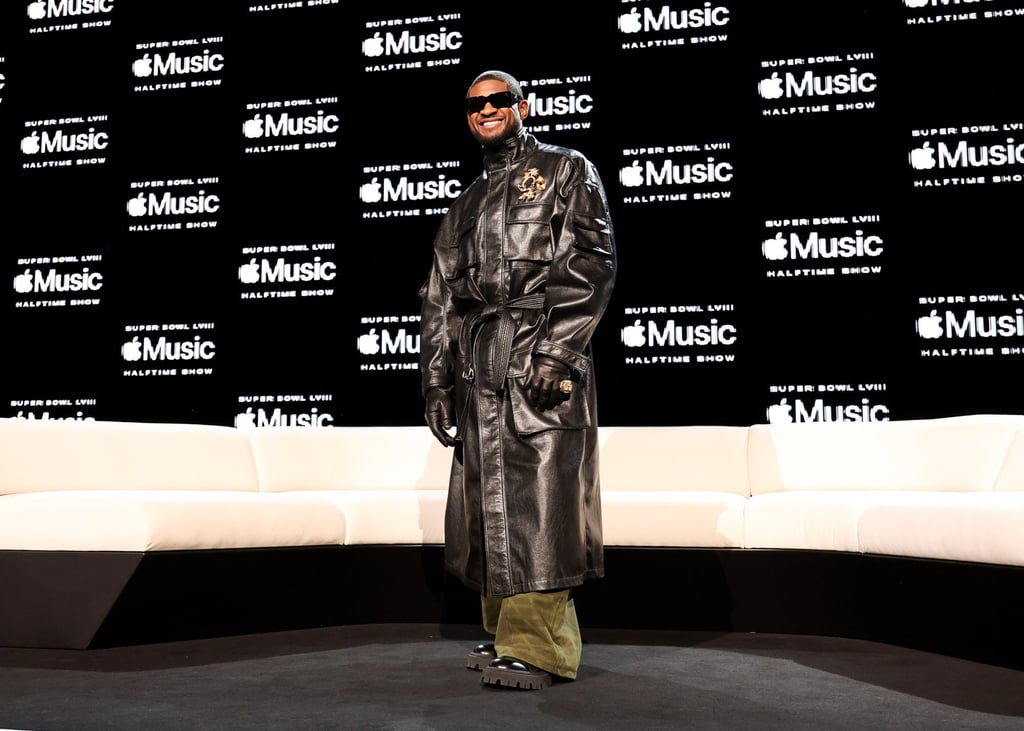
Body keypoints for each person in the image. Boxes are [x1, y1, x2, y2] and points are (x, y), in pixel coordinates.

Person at [418, 69, 617, 690]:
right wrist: (436, 382)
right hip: (479, 365)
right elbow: (441, 299)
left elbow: (591, 260)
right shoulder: (466, 202)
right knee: (489, 503)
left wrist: (557, 354)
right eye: (475, 104)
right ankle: (508, 634)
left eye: (499, 100)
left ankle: (539, 648)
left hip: (538, 354)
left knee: (542, 505)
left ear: (521, 107)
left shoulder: (564, 169)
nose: (486, 109)